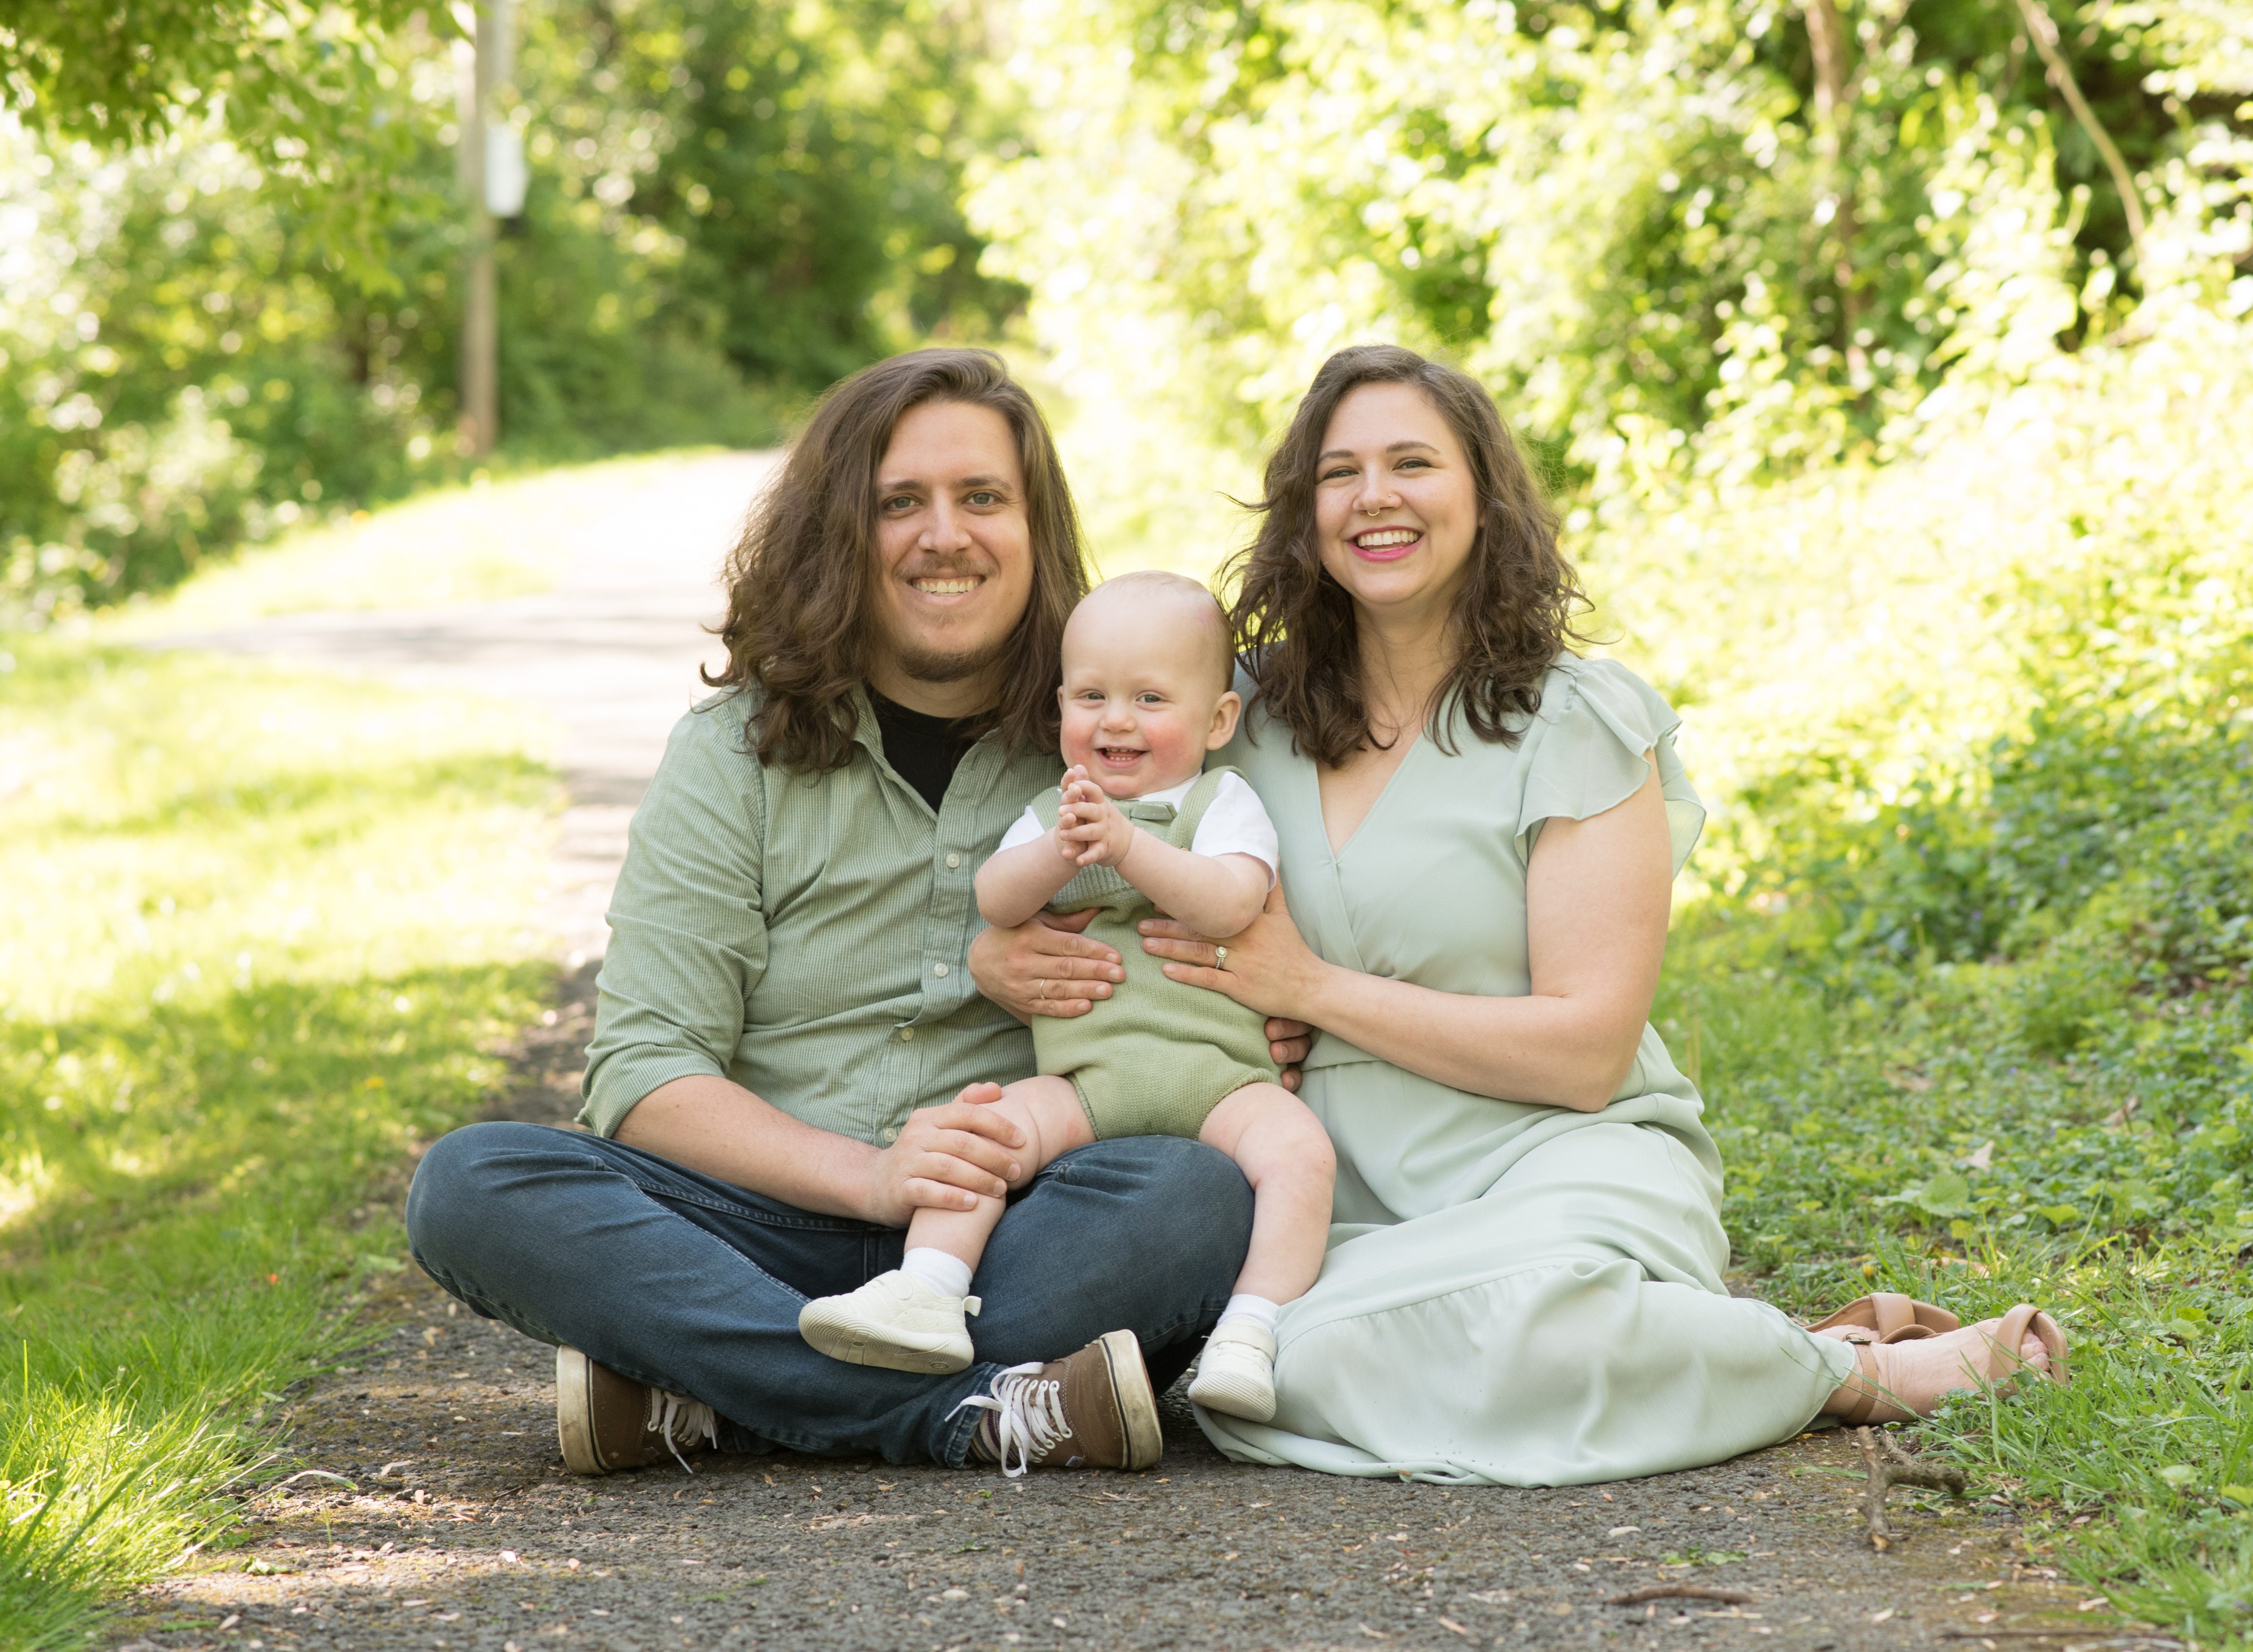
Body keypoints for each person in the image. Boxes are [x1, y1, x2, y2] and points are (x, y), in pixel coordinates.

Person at [972, 343, 2065, 1484]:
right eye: (1340, 473)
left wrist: (1310, 991)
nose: (1376, 497)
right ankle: (1760, 1351)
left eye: (1412, 463)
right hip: (1333, 1184)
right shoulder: (1238, 717)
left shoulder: (1574, 719)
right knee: (1287, 1355)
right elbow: (1076, 840)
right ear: (1304, 515)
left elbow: (1587, 1052)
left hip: (1558, 1151)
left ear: (1484, 498)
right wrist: (1005, 955)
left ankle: (1841, 1369)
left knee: (1541, 1310)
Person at [404, 348, 1312, 1478]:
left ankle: (714, 1389)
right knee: (475, 1183)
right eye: (901, 503)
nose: (946, 534)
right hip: (750, 1221)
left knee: (1193, 1196)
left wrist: (1278, 1008)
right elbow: (644, 1076)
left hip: (1013, 1225)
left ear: (1036, 531)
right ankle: (965, 1410)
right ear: (842, 530)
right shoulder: (734, 754)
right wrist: (876, 1178)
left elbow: (1291, 878)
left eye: (983, 498)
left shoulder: (1124, 727)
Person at [797, 572, 1335, 1431]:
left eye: (1149, 698)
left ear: (1218, 721)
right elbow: (998, 897)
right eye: (1092, 697)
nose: (1115, 719)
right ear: (1060, 712)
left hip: (1225, 1083)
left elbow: (1231, 901)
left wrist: (1125, 846)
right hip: (1086, 1080)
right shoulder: (1053, 810)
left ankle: (1251, 1329)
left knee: (1301, 1157)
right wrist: (1059, 851)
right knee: (979, 1133)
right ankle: (927, 1291)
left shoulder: (1217, 802)